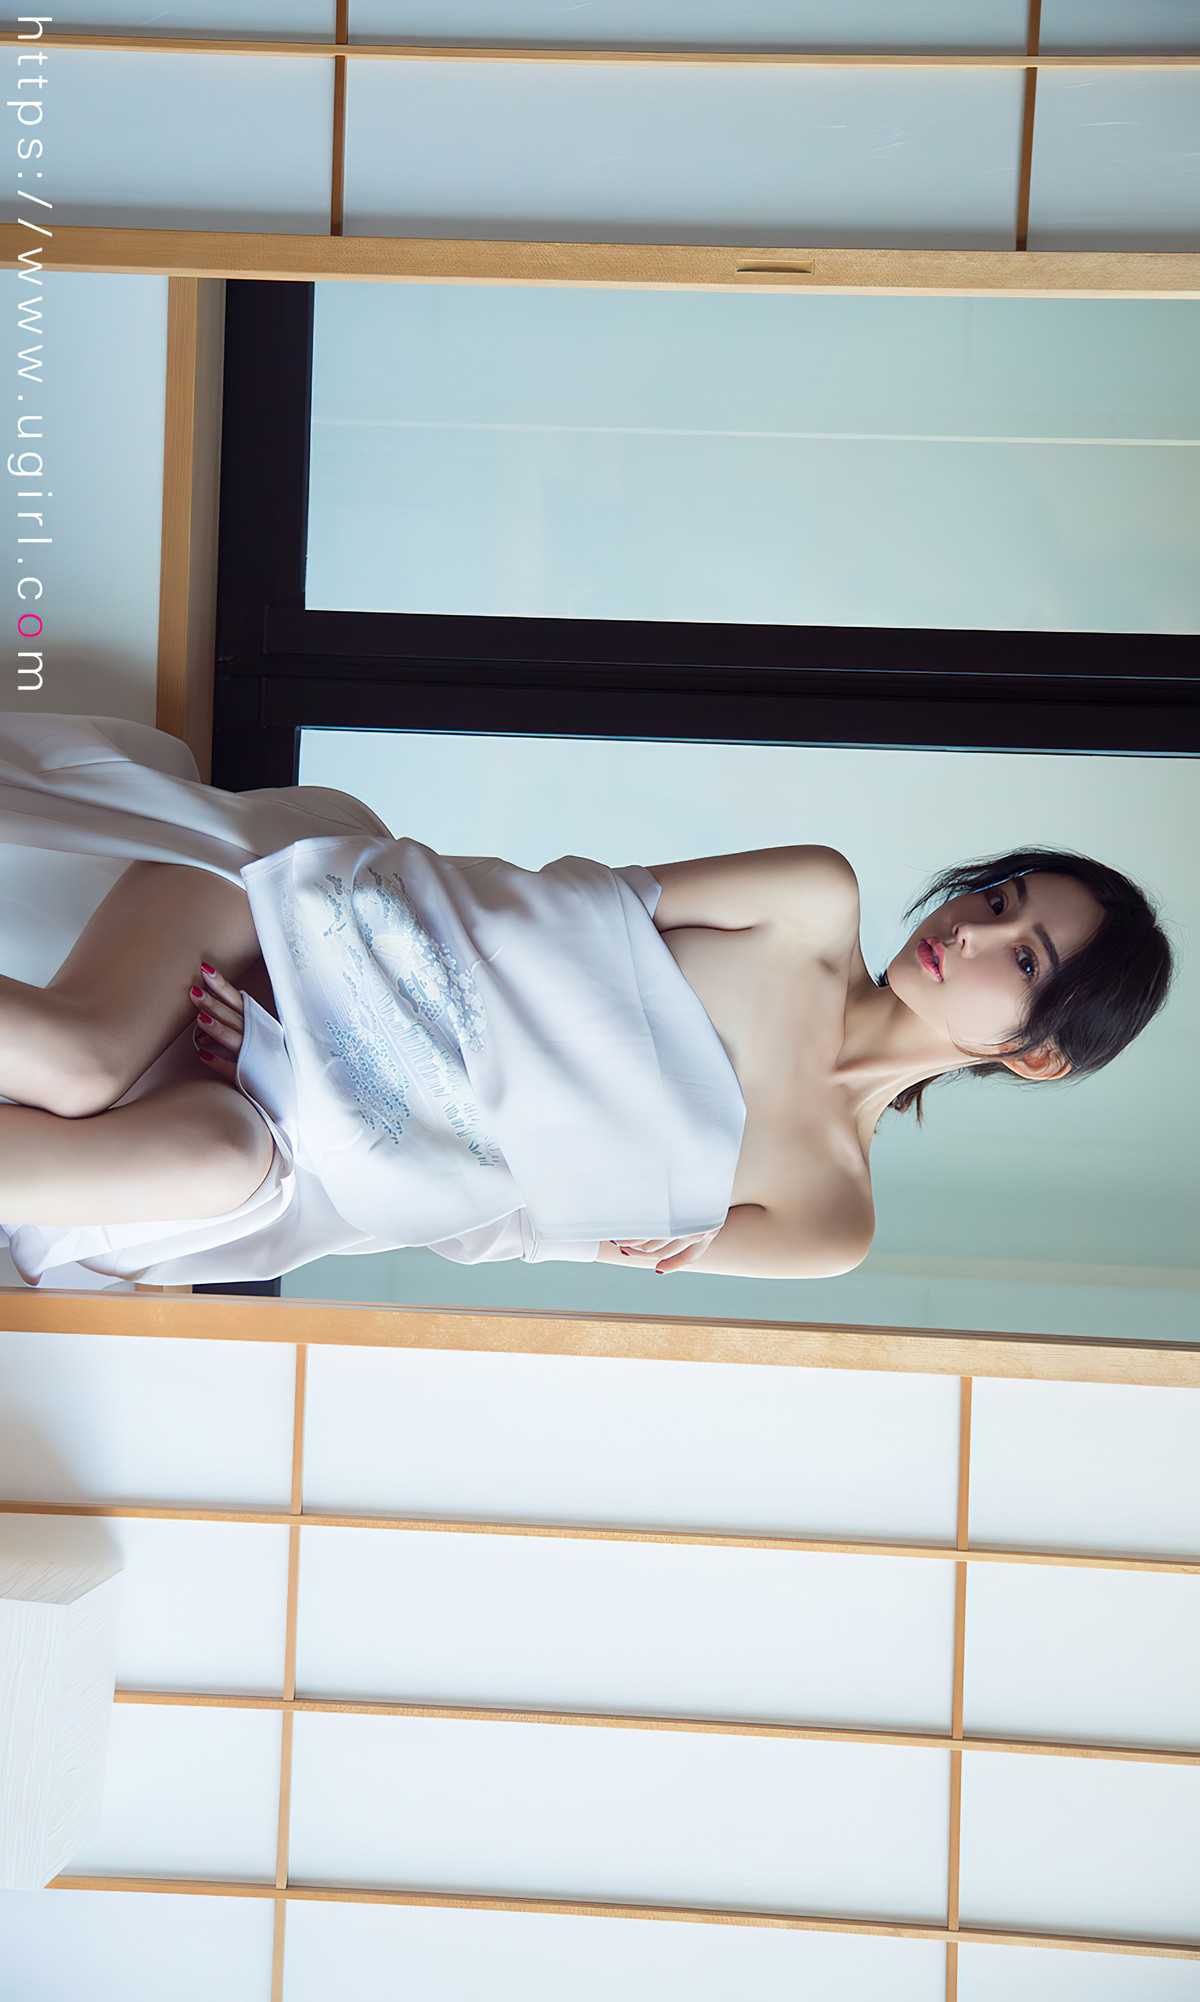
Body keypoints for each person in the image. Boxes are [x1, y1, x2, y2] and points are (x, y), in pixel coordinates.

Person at [0, 712, 1174, 1292]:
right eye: (1000, 897)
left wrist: (297, 1073)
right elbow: (525, 908)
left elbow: (518, 1219)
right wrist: (315, 1011)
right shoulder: (811, 904)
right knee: (79, 1064)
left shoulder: (827, 1217)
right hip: (308, 927)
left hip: (310, 1133)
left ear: (1038, 1055)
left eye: (1025, 960)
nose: (971, 929)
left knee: (213, 1160)